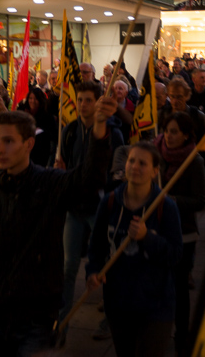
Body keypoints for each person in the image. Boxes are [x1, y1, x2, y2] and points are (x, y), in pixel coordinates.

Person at [0, 100, 116, 356]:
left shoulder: (50, 183)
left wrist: (98, 129)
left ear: (29, 144)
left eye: (9, 141)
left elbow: (89, 180)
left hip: (35, 318)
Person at [86, 142, 183, 357]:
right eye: (131, 161)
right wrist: (93, 271)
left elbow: (176, 254)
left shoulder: (166, 206)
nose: (135, 167)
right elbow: (96, 245)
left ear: (155, 171)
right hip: (118, 304)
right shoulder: (110, 202)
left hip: (156, 306)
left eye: (142, 163)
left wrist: (147, 237)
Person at [56, 81, 125, 331]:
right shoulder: (69, 131)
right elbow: (64, 163)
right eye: (80, 100)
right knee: (68, 265)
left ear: (98, 103)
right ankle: (62, 319)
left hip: (100, 207)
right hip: (74, 206)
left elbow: (117, 171)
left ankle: (111, 315)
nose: (83, 105)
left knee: (106, 263)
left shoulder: (113, 133)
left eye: (88, 100)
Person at [155, 112, 205, 357]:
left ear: (186, 135)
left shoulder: (194, 161)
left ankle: (182, 336)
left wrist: (172, 200)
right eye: (166, 130)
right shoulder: (158, 154)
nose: (168, 136)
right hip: (156, 231)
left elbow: (200, 201)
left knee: (179, 288)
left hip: (183, 233)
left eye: (174, 132)